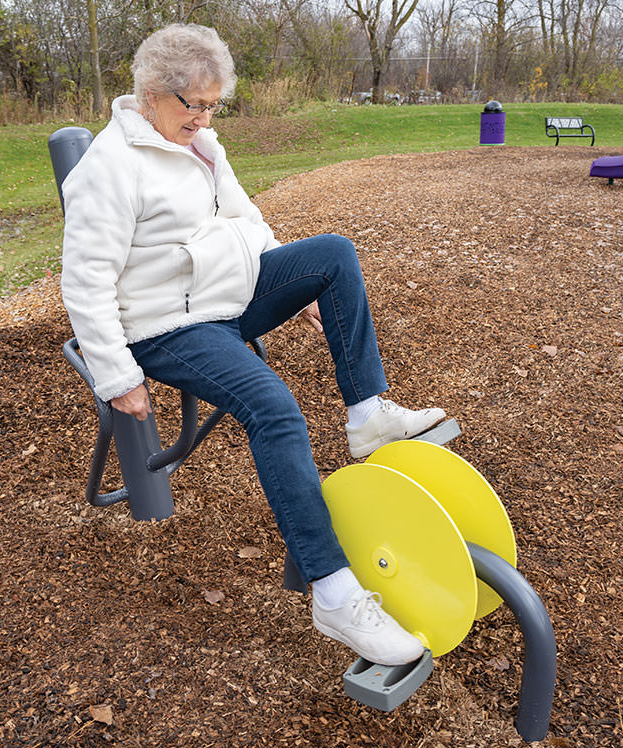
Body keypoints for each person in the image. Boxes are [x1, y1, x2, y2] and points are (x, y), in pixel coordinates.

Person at [60, 23, 445, 667]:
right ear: (153, 93)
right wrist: (115, 374)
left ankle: (369, 416)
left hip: (227, 296)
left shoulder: (202, 145)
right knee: (274, 407)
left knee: (333, 257)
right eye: (196, 105)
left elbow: (248, 224)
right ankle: (335, 591)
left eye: (214, 105)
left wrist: (296, 292)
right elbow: (86, 280)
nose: (207, 118)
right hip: (168, 326)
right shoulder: (111, 167)